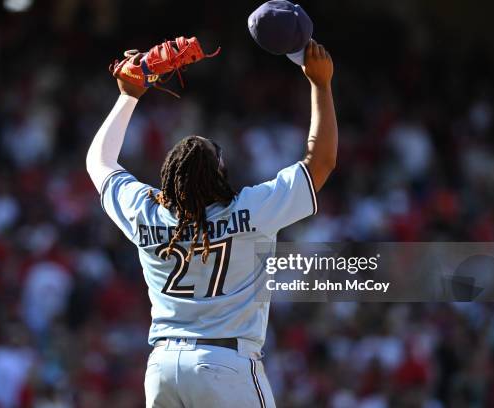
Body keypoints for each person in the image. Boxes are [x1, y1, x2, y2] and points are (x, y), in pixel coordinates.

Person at [86, 39, 337, 408]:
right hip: (226, 364)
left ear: (169, 177)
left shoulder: (148, 211)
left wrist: (128, 96)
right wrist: (321, 84)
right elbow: (322, 162)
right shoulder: (251, 209)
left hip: (163, 367)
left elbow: (100, 163)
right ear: (221, 175)